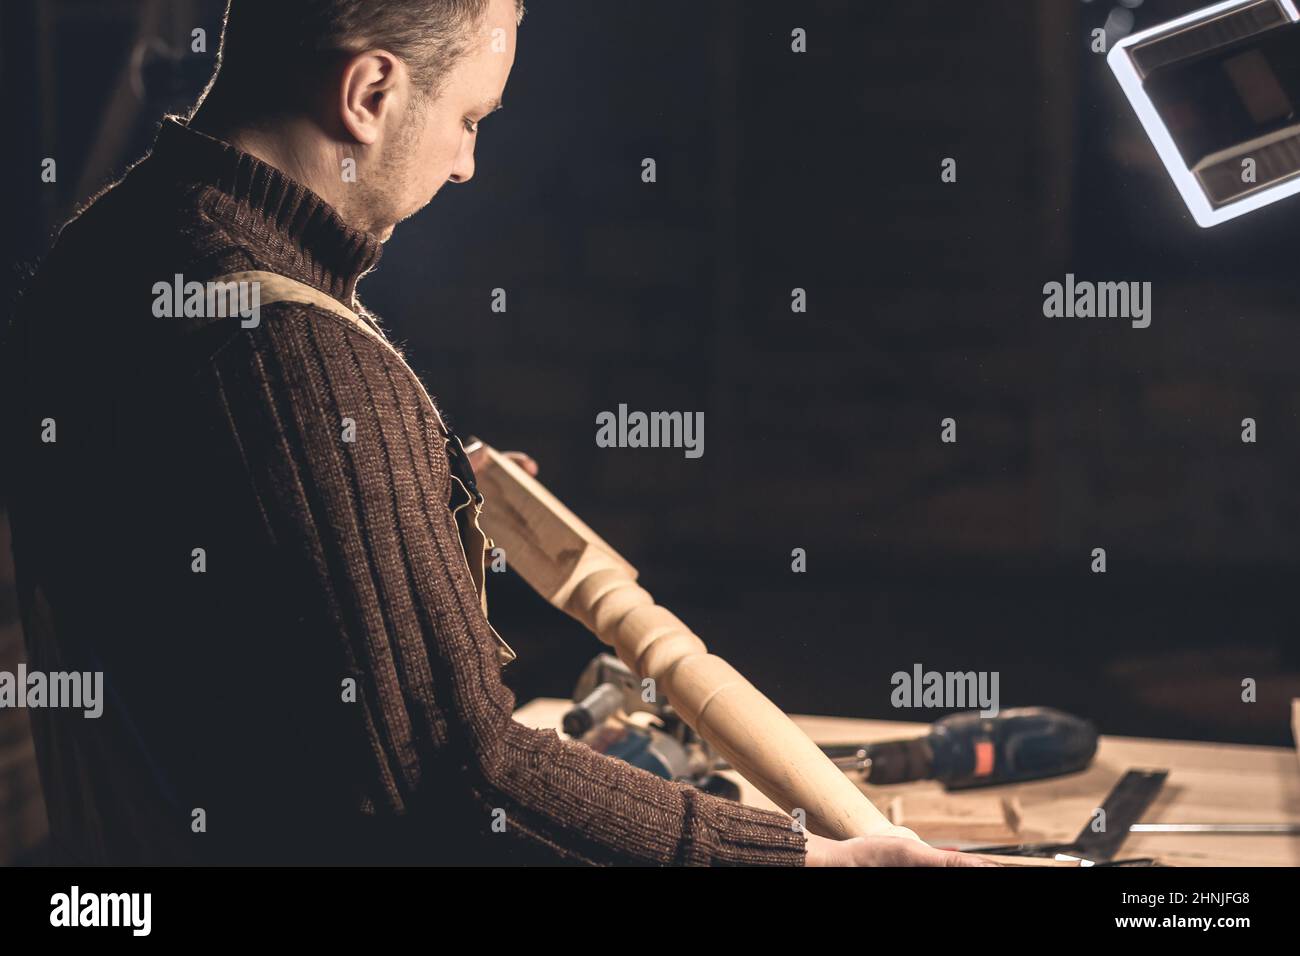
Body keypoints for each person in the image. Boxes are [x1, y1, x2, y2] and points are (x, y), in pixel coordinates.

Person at [2, 0, 986, 867]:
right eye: (470, 117)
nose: (469, 162)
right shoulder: (294, 351)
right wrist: (809, 860)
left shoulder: (100, 253)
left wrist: (406, 506)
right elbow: (466, 778)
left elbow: (219, 588)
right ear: (371, 91)